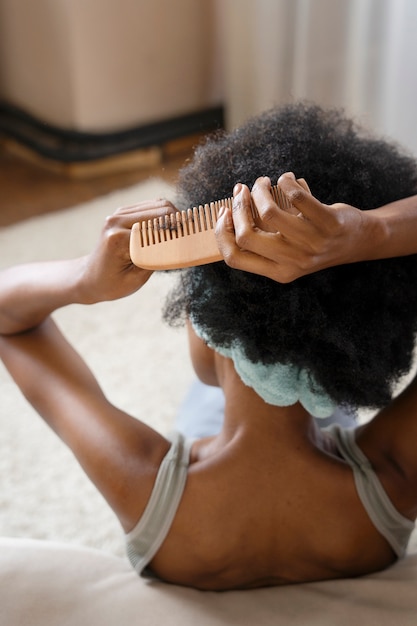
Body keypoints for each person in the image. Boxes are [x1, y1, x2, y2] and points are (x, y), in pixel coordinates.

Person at [1, 102, 417, 592]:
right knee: (323, 403)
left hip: (206, 469)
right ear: (370, 335)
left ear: (201, 324)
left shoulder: (144, 487)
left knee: (210, 397)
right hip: (334, 418)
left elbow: (10, 320)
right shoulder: (393, 475)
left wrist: (84, 279)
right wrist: (372, 233)